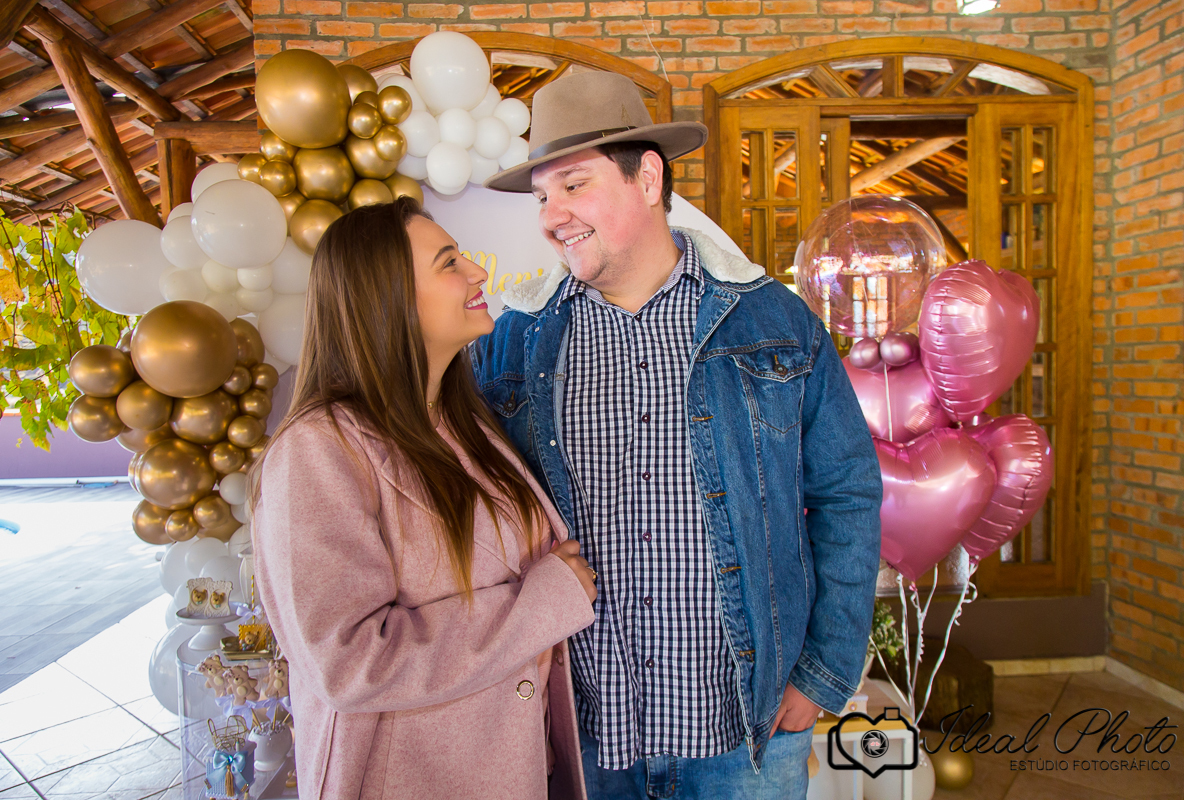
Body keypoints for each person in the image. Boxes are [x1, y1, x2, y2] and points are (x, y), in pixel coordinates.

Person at [474, 72, 883, 800]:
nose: (551, 217)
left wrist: (823, 671)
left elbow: (846, 493)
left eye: (573, 186)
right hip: (586, 735)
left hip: (744, 732)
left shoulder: (773, 323)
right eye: (540, 197)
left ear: (648, 178)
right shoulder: (513, 343)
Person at [251, 198, 598, 800]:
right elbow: (348, 662)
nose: (477, 272)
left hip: (511, 769)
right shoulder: (319, 449)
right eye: (449, 263)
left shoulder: (465, 420)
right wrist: (544, 601)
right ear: (385, 298)